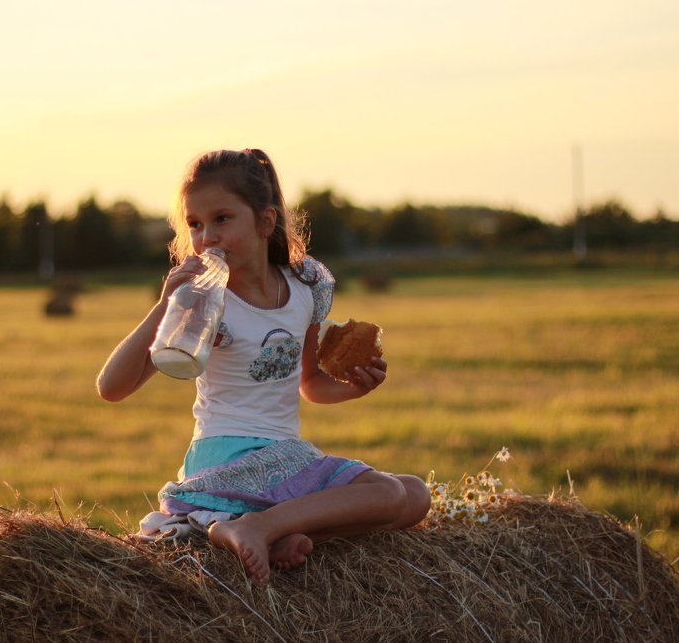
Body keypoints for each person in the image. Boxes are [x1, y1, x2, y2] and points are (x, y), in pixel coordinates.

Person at [97, 148, 430, 585]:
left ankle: (273, 529)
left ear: (265, 222)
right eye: (194, 224)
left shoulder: (306, 287)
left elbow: (310, 384)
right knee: (386, 492)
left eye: (222, 219)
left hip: (285, 454)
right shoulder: (203, 302)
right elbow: (112, 387)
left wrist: (355, 387)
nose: (207, 237)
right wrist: (164, 307)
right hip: (225, 457)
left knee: (415, 496)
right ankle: (256, 526)